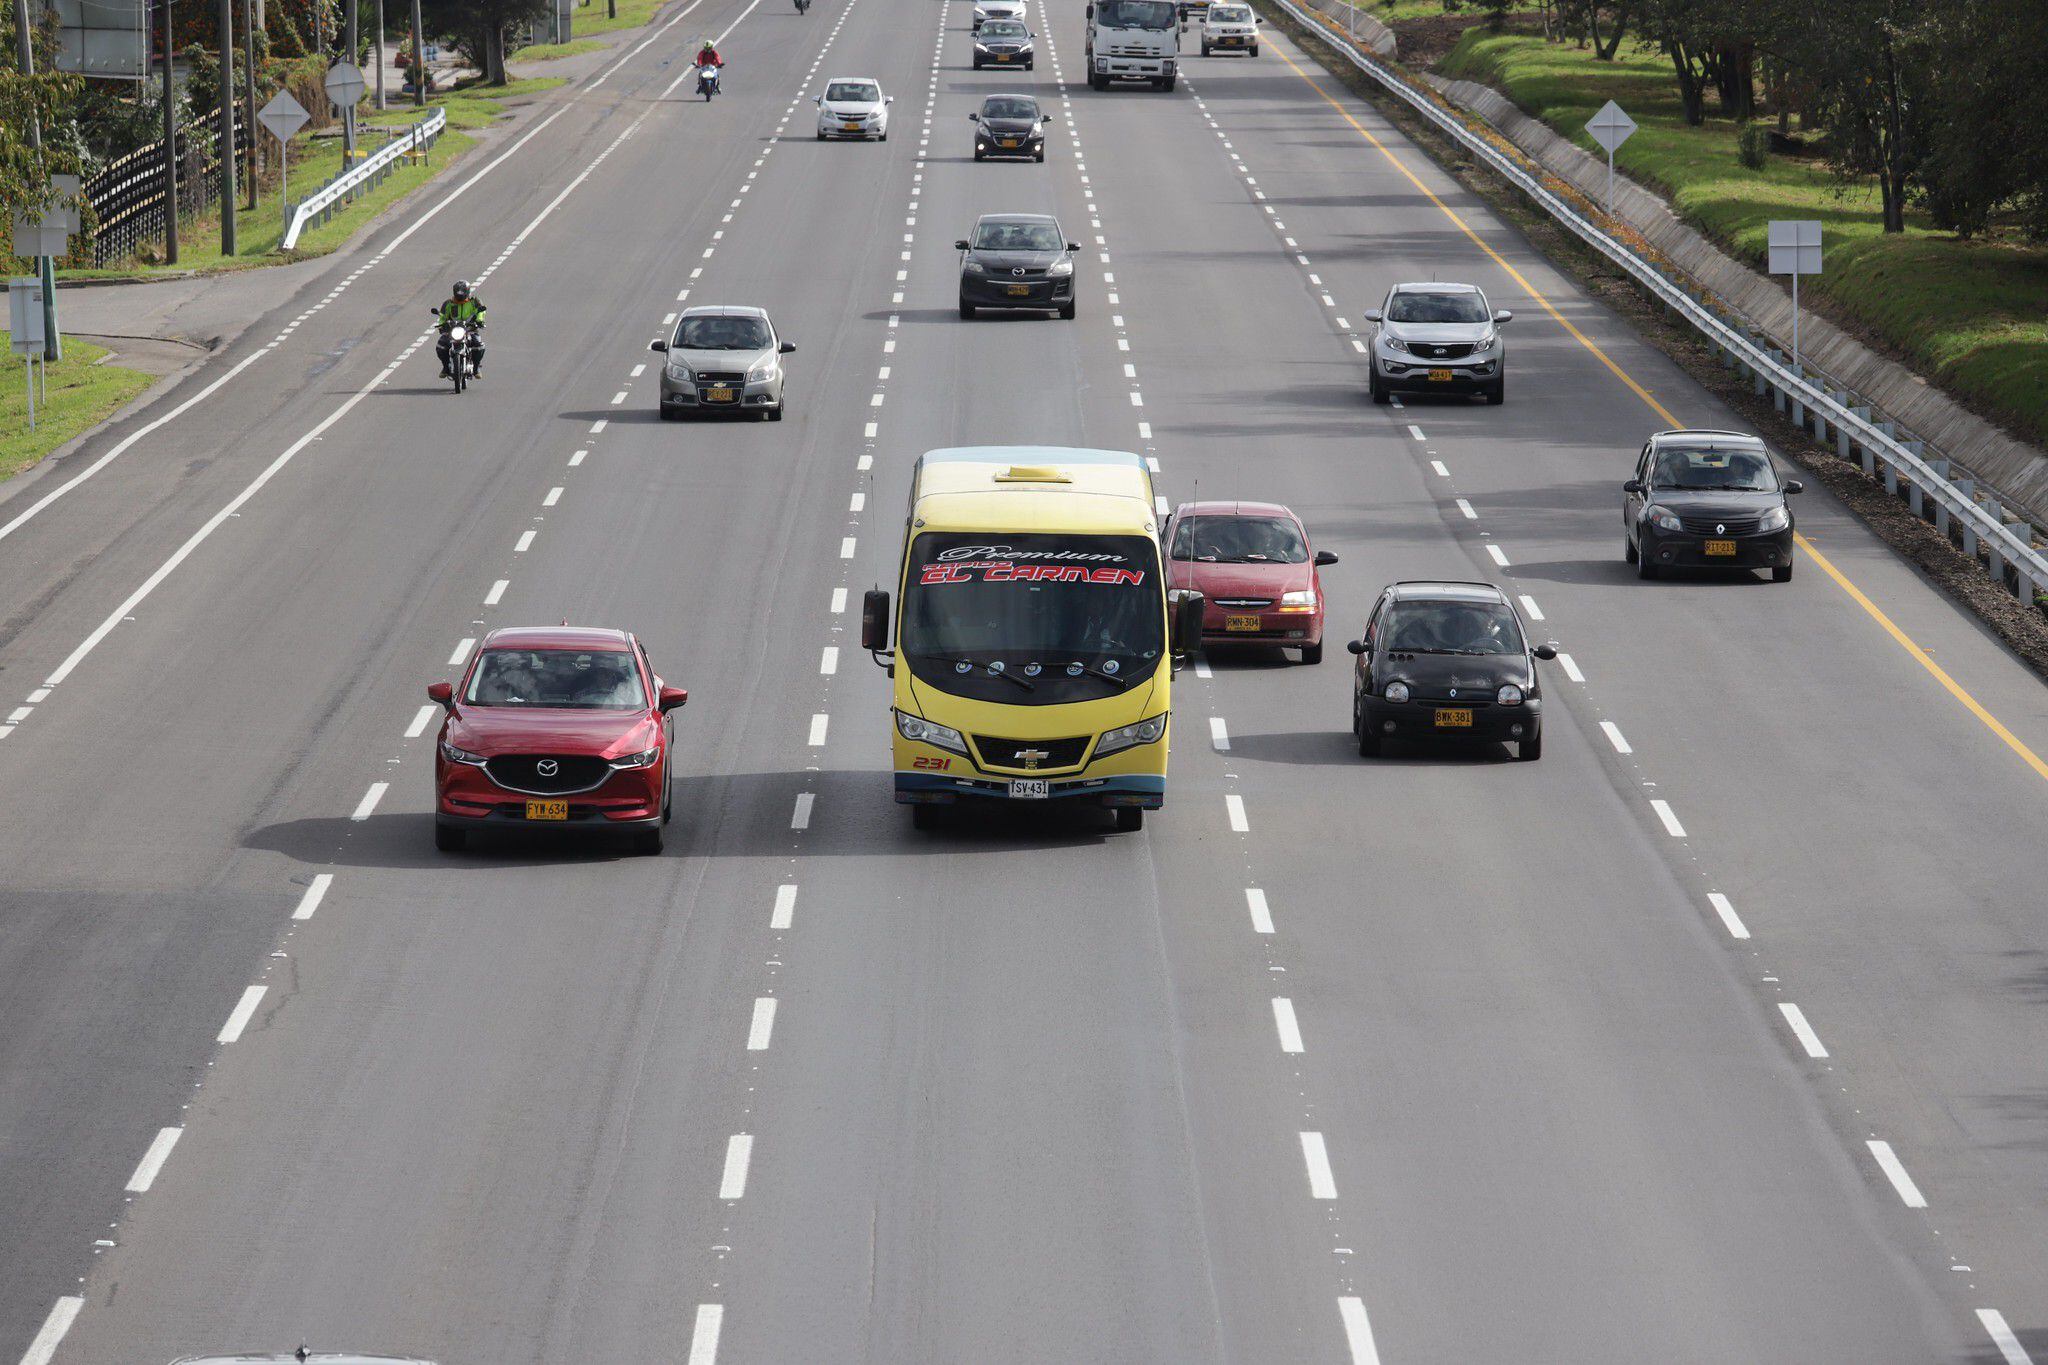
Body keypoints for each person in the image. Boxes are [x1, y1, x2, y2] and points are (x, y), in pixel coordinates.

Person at [436, 280, 486, 378]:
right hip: (452, 330)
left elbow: (481, 312)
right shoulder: (448, 303)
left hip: (470, 329)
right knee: (441, 346)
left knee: (479, 345)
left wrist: (479, 321)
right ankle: (445, 367)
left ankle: (476, 368)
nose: (460, 296)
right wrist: (442, 324)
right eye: (458, 294)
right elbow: (442, 316)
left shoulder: (474, 301)